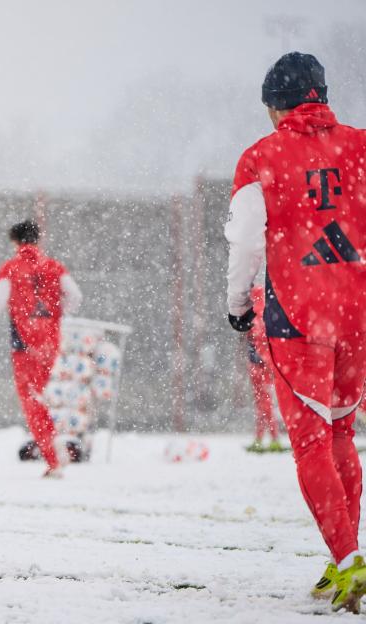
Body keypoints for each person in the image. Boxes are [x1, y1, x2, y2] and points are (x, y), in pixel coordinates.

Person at [224, 52, 366, 612]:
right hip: (356, 312)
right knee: (340, 434)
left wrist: (238, 302)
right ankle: (346, 559)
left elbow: (247, 242)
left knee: (310, 443)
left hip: (298, 317)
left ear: (274, 105)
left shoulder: (261, 157)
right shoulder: (359, 146)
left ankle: (349, 558)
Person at [0, 220, 82, 478]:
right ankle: (54, 451)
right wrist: (56, 314)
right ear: (37, 240)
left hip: (24, 344)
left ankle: (53, 456)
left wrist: (16, 307)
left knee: (32, 401)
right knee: (39, 397)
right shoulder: (54, 267)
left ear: (16, 242)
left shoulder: (10, 269)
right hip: (50, 341)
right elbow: (75, 295)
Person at [244, 285, 281, 453]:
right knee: (262, 403)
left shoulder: (255, 314)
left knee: (263, 403)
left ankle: (272, 438)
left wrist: (261, 361)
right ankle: (261, 438)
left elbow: (258, 341)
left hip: (258, 366)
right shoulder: (264, 312)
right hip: (263, 365)